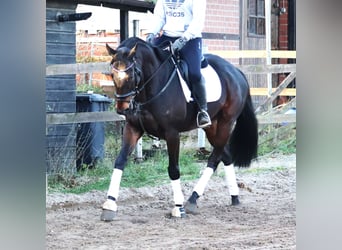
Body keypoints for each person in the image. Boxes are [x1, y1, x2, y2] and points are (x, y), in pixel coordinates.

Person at [146, 0, 211, 128]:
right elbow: (160, 17)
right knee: (147, 62)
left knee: (194, 74)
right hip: (166, 36)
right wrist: (152, 33)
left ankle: (202, 110)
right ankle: (137, 104)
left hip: (190, 39)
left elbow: (198, 22)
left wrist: (184, 38)